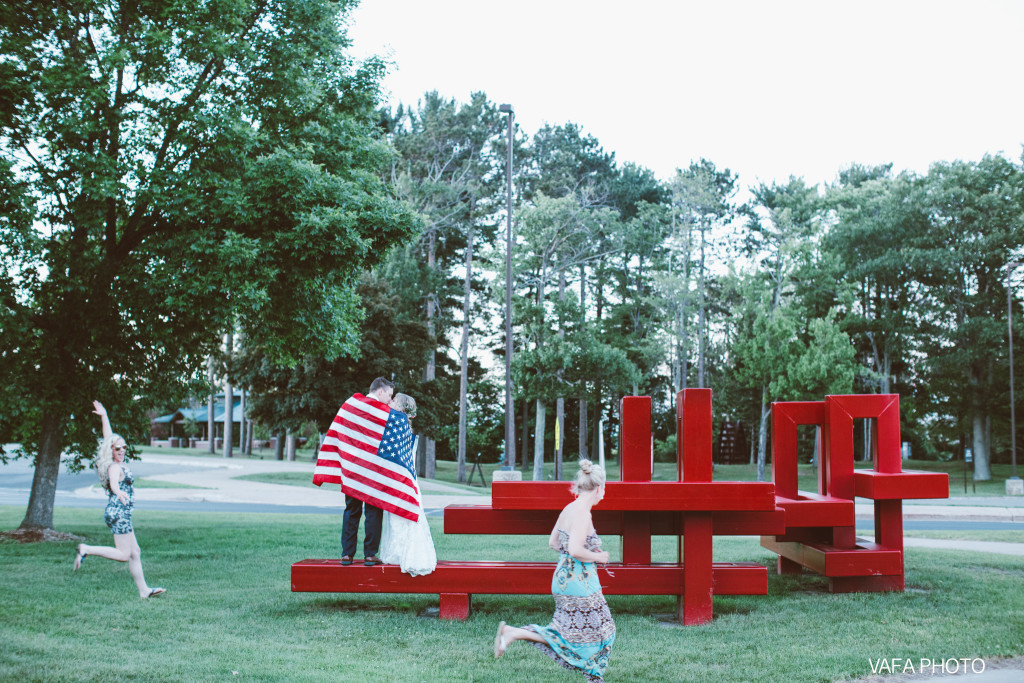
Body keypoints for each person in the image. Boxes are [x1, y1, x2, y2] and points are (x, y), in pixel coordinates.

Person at [493, 459, 615, 682]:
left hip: (562, 579)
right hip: (580, 581)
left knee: (570, 633)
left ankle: (514, 633)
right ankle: (593, 676)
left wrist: (583, 548)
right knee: (603, 631)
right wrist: (599, 556)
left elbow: (554, 542)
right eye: (605, 487)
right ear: (599, 488)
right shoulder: (583, 513)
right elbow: (575, 549)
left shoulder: (569, 509)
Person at [73, 401, 166, 599]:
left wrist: (104, 416)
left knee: (135, 552)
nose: (122, 450)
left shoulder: (114, 460)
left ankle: (144, 591)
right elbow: (115, 483)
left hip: (120, 512)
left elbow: (108, 437)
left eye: (123, 447)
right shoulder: (114, 467)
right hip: (118, 512)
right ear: (111, 452)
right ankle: (86, 549)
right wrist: (118, 492)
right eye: (118, 449)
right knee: (124, 554)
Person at [379, 393, 436, 576]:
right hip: (405, 481)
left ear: (400, 407)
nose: (391, 402)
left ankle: (404, 555)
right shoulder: (403, 427)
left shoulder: (398, 427)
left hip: (402, 481)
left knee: (401, 518)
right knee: (399, 520)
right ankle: (398, 554)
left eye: (394, 401)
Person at [339, 377, 393, 566]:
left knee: (351, 510)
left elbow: (339, 431)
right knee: (373, 511)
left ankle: (347, 554)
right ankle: (370, 554)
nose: (389, 399)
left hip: (352, 468)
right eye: (389, 395)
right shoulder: (382, 411)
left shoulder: (350, 405)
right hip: (372, 471)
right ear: (380, 391)